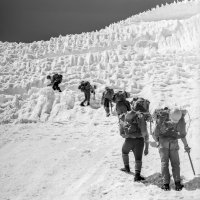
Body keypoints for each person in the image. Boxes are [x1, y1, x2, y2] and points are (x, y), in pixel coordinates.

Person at [152, 107, 191, 191]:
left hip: (162, 143)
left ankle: (166, 184)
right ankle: (177, 184)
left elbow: (155, 133)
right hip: (173, 143)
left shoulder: (161, 117)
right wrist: (186, 146)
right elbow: (182, 135)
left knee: (164, 163)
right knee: (175, 163)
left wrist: (158, 141)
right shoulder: (180, 119)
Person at [114, 92, 149, 181]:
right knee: (138, 158)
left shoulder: (128, 116)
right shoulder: (141, 117)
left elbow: (122, 128)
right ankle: (137, 175)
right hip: (139, 141)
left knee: (124, 151)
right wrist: (147, 147)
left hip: (128, 140)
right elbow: (145, 133)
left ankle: (126, 168)